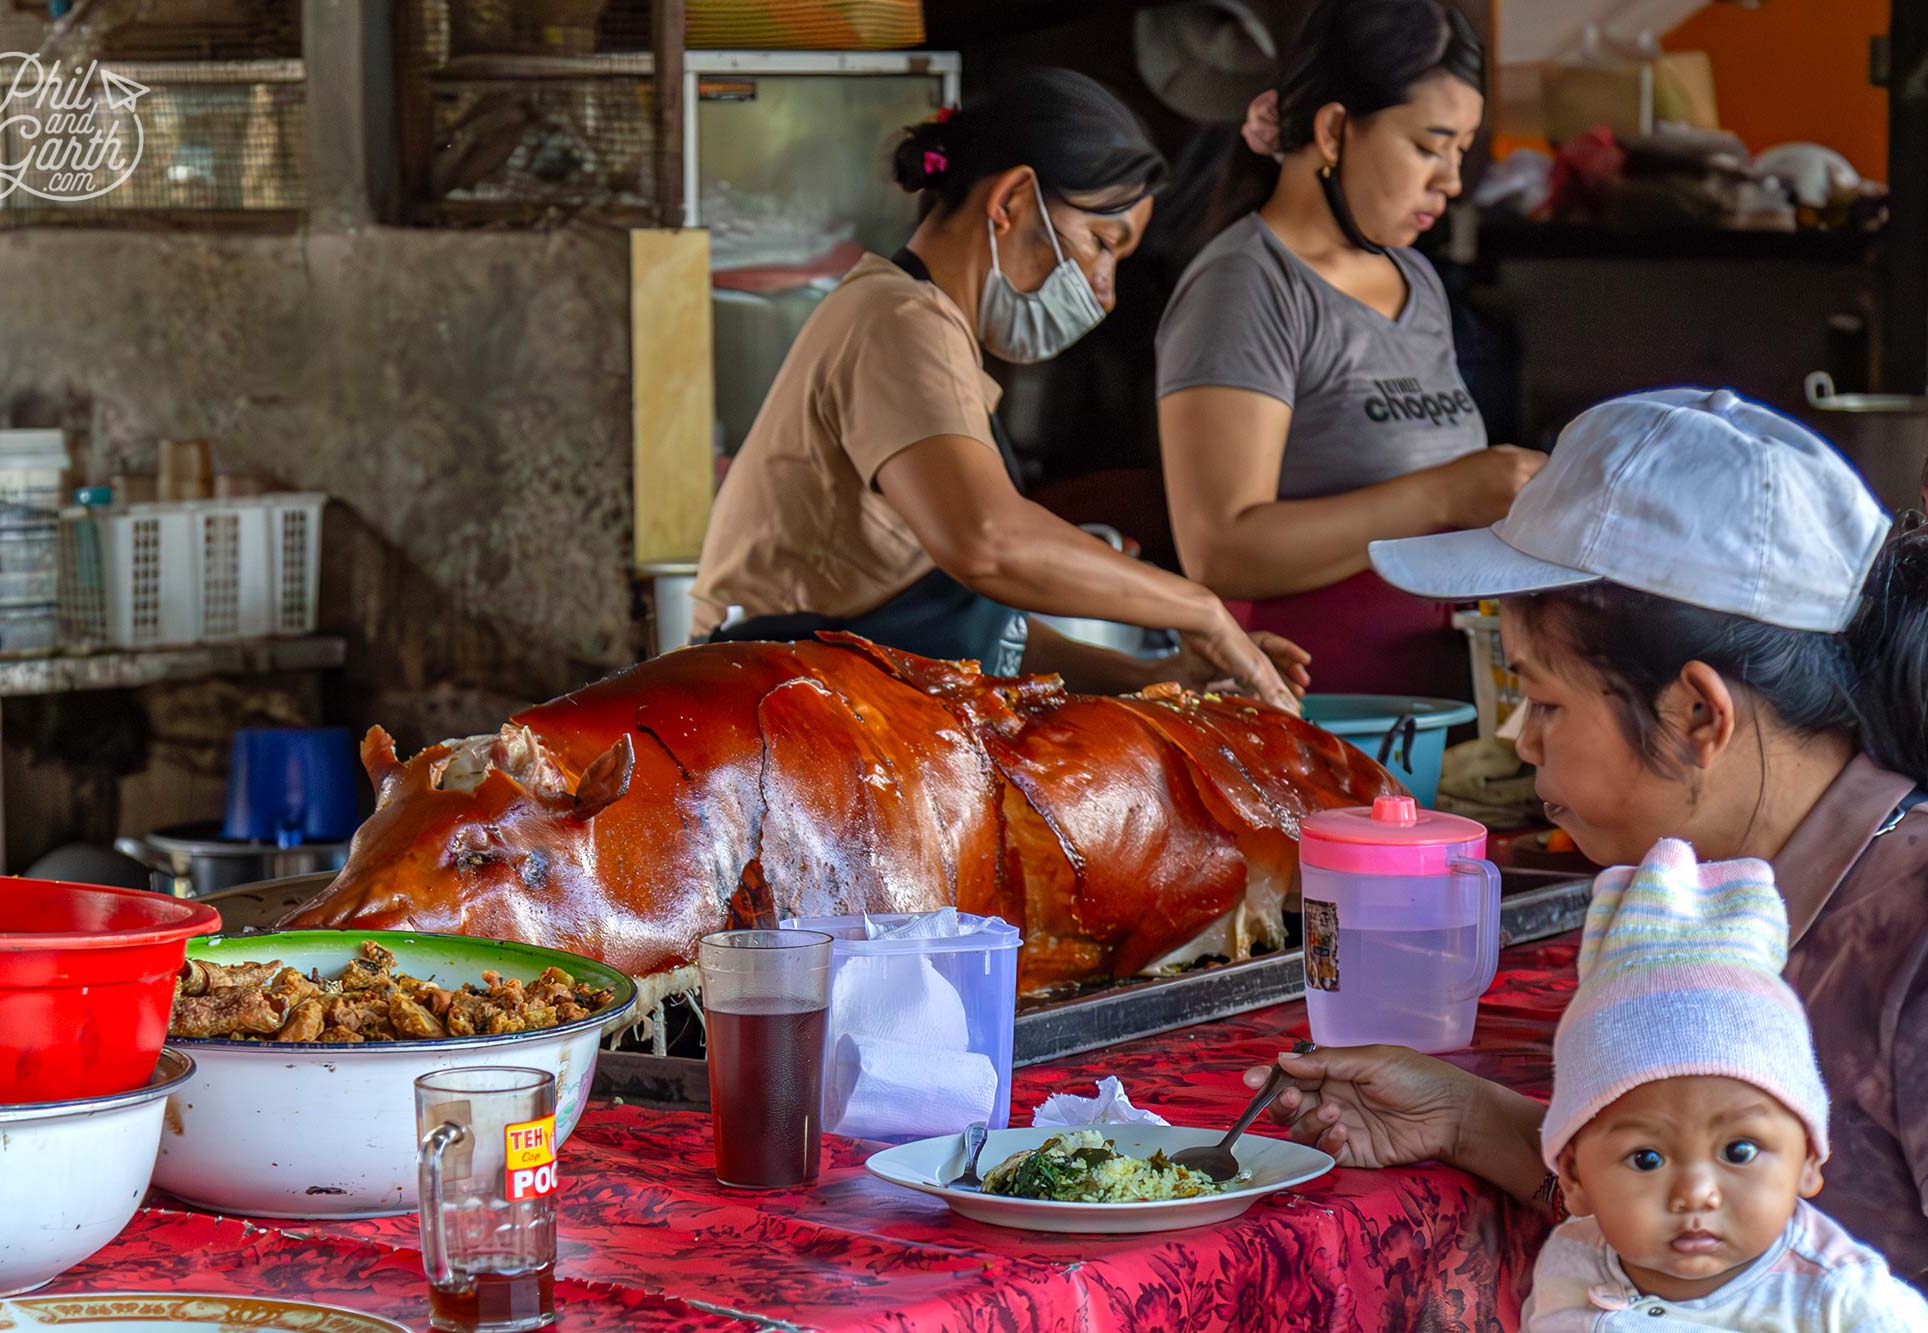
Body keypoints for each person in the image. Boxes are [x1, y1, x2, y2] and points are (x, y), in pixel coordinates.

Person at [1250, 387, 1928, 1288]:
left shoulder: (1908, 935)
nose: (1518, 739)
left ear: (1697, 713)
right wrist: (1469, 1117)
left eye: (1544, 699)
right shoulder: (1693, 912)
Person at [689, 69, 1304, 708]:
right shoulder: (899, 321)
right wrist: (1198, 607)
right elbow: (989, 541)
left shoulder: (934, 336)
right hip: (771, 727)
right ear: (1010, 201)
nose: (1105, 289)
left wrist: (1161, 681)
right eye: (1101, 243)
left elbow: (982, 640)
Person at [1155, 0, 1546, 697]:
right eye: (1429, 146)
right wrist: (1445, 493)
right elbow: (1218, 548)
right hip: (1312, 722)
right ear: (1334, 130)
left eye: (1460, 149)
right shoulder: (1245, 286)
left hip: (1436, 718)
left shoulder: (1414, 276)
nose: (1451, 181)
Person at [1523, 838, 1928, 1328]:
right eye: (1646, 1159)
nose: (1696, 1194)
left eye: (1739, 1151)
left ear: (1809, 1160)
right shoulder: (1569, 1261)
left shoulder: (1842, 1301)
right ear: (1573, 1177)